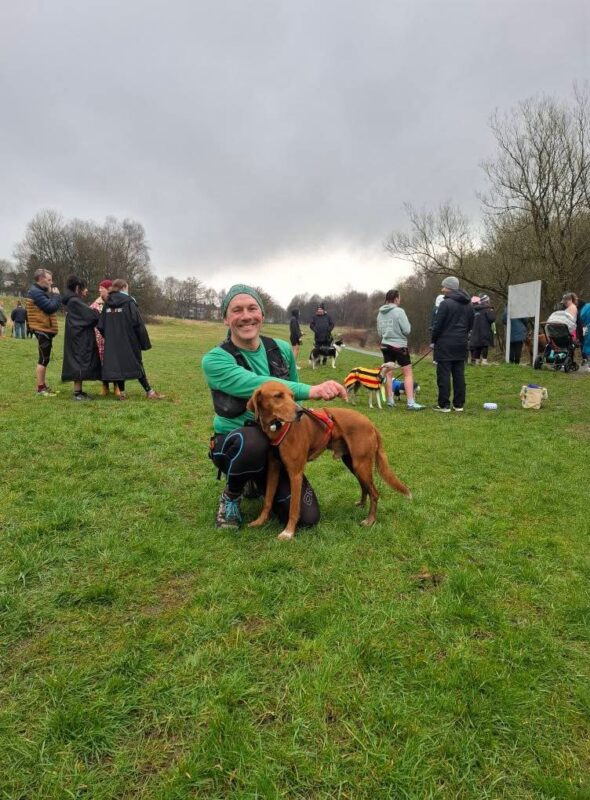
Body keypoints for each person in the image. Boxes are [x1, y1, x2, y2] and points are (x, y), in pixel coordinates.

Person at [202, 284, 347, 530]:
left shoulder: (281, 349)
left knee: (307, 518)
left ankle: (256, 479)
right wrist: (314, 390)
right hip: (236, 442)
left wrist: (301, 442)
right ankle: (231, 496)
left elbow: (294, 400)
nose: (246, 316)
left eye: (252, 308)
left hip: (277, 438)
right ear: (226, 318)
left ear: (262, 314)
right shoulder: (215, 360)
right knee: (253, 441)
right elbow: (255, 383)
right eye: (237, 310)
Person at [97, 279, 164, 401]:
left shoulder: (107, 303)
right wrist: (143, 342)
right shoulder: (129, 302)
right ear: (123, 288)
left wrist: (110, 337)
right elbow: (137, 324)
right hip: (130, 341)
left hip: (113, 343)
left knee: (118, 366)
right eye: (127, 288)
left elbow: (101, 325)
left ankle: (122, 393)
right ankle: (149, 391)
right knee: (137, 364)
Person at [431, 276, 474, 412]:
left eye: (444, 287)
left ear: (449, 288)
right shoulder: (468, 304)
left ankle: (444, 404)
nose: (442, 289)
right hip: (461, 343)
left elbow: (437, 325)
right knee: (459, 374)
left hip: (445, 343)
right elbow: (471, 324)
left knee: (444, 374)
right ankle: (459, 404)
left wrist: (434, 340)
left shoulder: (445, 304)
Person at [376, 289, 424, 410]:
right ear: (396, 299)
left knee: (388, 373)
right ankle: (411, 403)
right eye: (399, 297)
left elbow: (380, 332)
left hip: (385, 345)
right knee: (407, 373)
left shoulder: (380, 313)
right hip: (399, 345)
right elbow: (407, 330)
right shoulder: (399, 311)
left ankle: (390, 401)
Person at [61, 275, 102, 400]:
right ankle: (77, 393)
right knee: (78, 362)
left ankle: (78, 391)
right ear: (78, 288)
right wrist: (97, 308)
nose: (87, 290)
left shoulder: (73, 301)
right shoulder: (75, 301)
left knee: (77, 362)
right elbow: (92, 316)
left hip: (76, 337)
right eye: (84, 288)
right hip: (79, 338)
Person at [26, 268, 62, 396]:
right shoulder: (36, 293)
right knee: (43, 359)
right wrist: (56, 296)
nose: (51, 282)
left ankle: (43, 386)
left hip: (44, 329)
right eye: (49, 280)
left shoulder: (38, 291)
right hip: (42, 329)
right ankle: (41, 388)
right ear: (41, 279)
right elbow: (50, 307)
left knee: (44, 359)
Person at [90, 279, 120, 396]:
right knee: (102, 362)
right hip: (100, 339)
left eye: (101, 288)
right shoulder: (95, 305)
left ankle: (117, 386)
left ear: (108, 289)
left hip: (113, 337)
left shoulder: (116, 302)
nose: (99, 290)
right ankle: (105, 386)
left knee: (115, 362)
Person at [469, 294, 496, 365]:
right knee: (485, 345)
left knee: (477, 346)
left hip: (475, 331)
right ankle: (484, 361)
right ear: (486, 301)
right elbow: (491, 319)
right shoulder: (487, 309)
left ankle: (477, 361)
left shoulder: (475, 309)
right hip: (485, 330)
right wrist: (492, 311)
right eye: (488, 300)